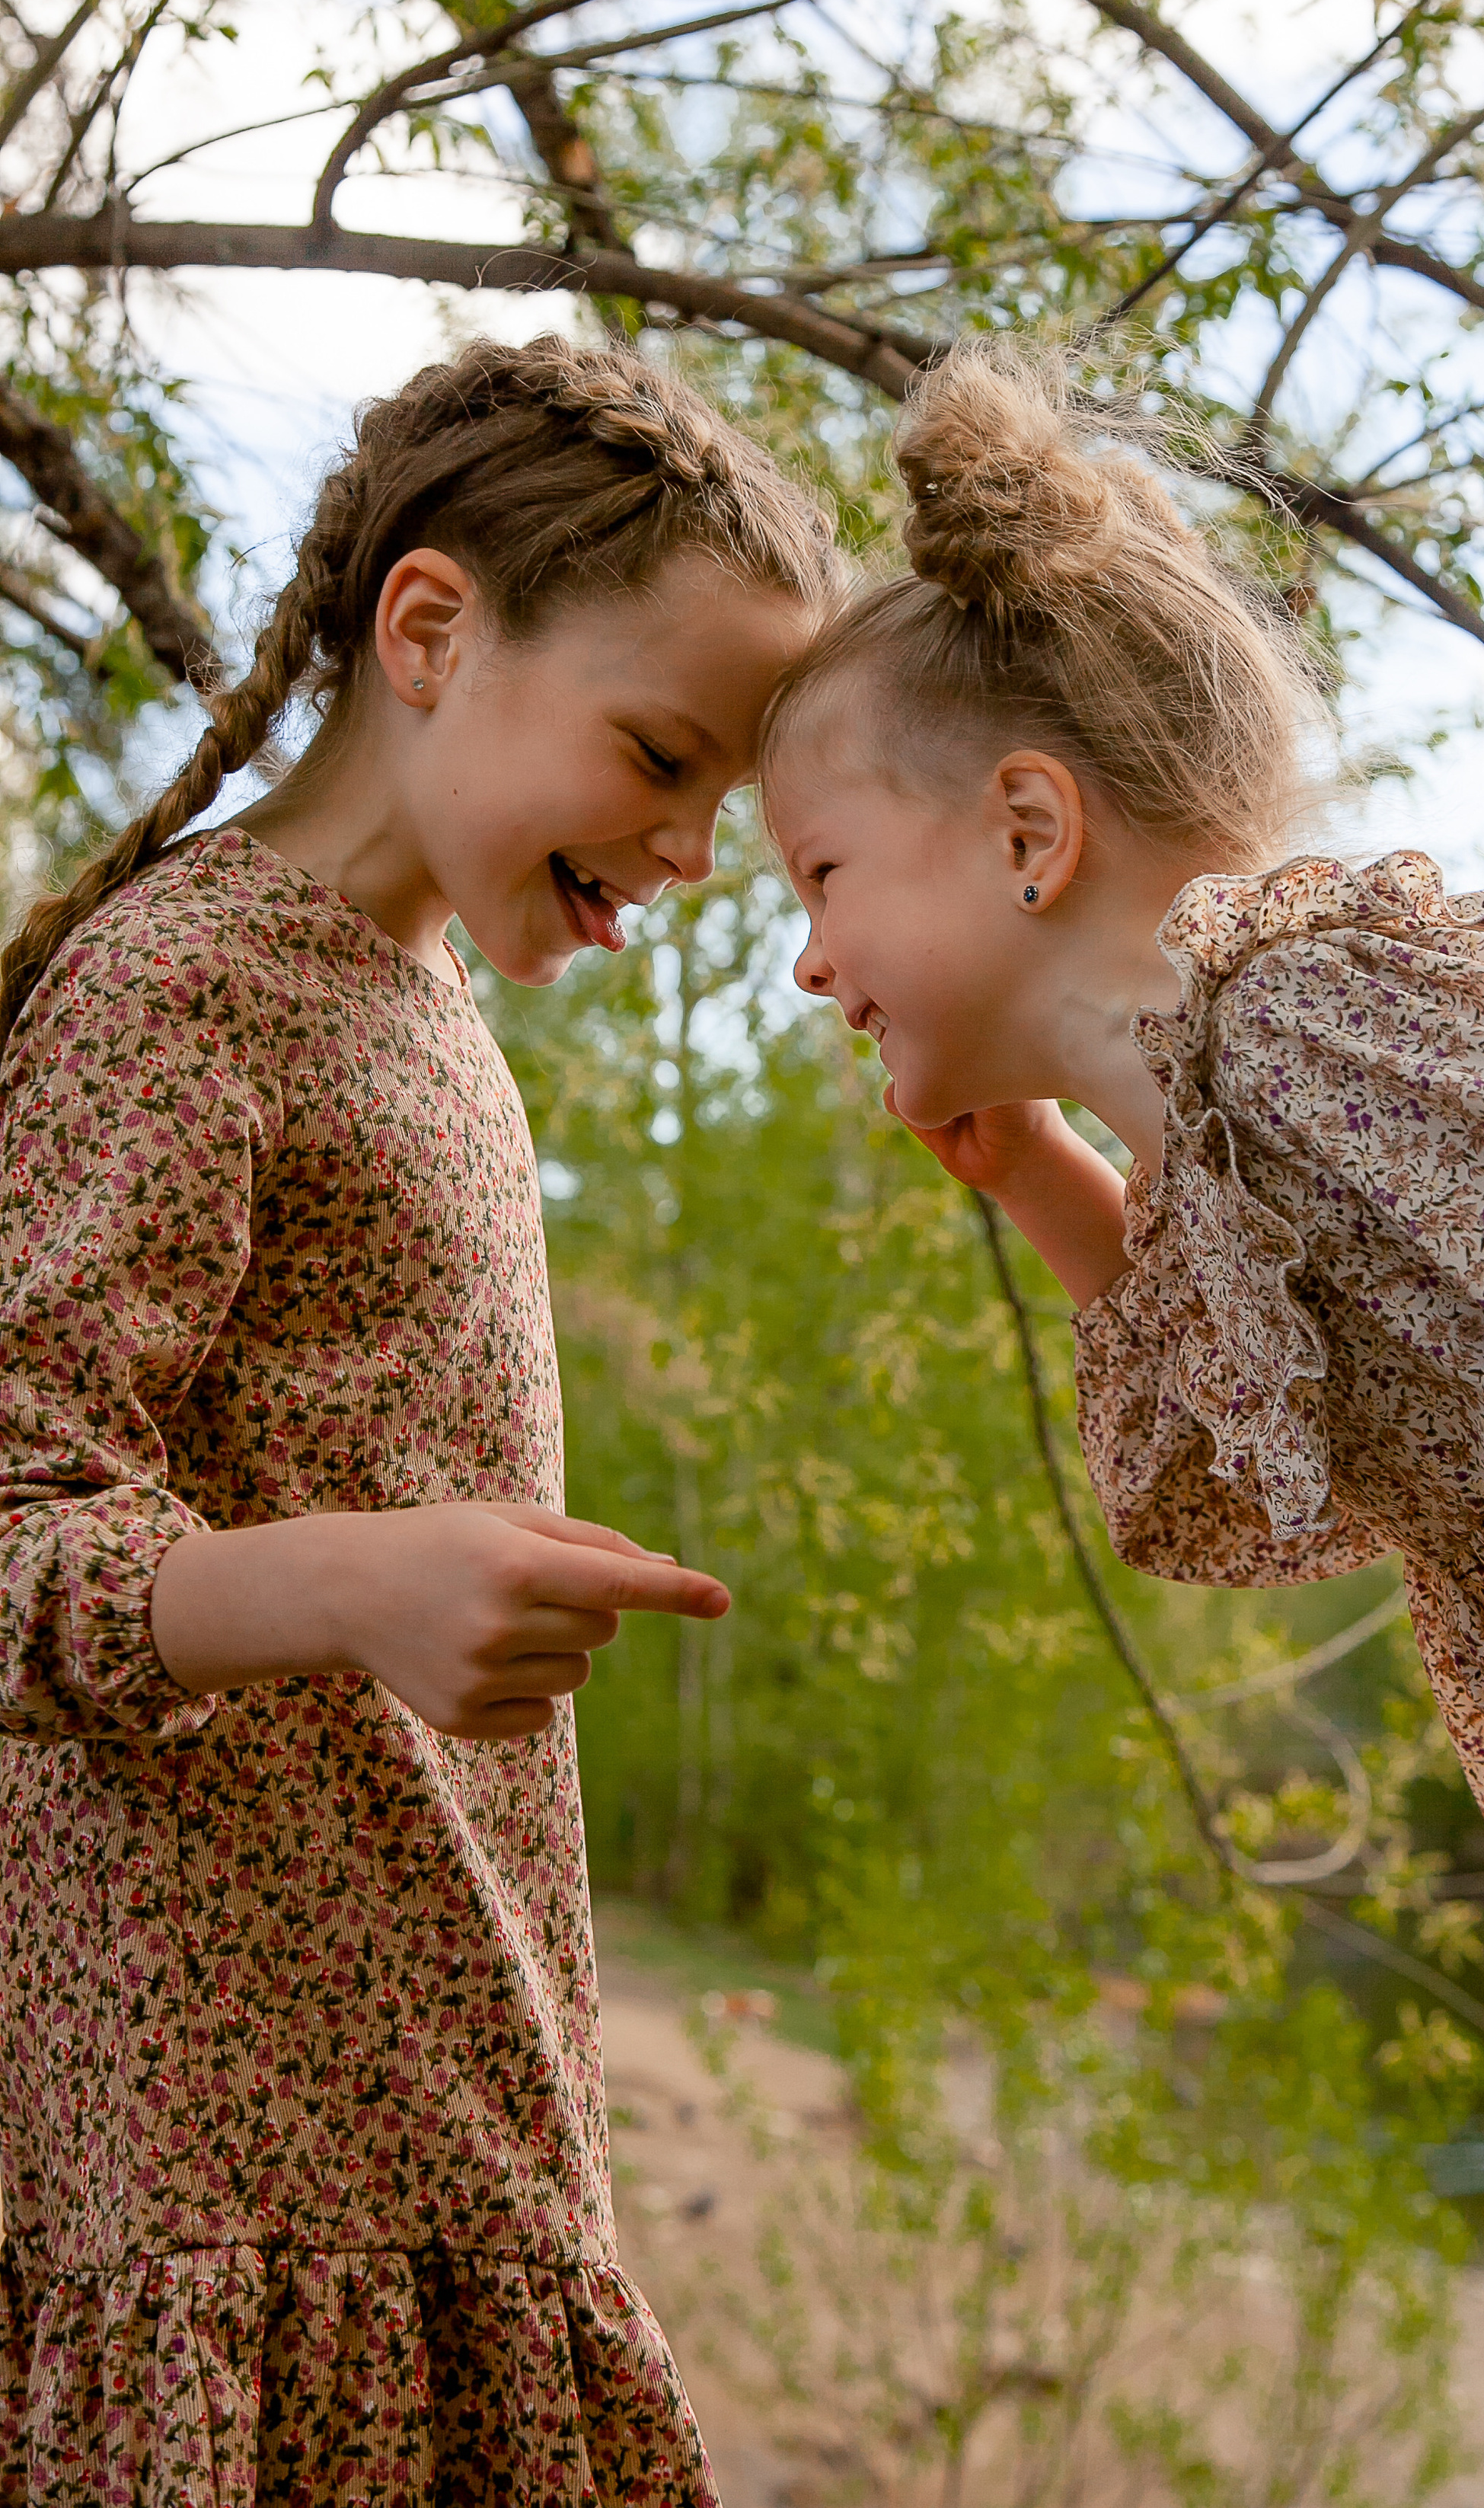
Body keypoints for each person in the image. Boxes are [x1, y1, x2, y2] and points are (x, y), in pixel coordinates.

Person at [761, 337, 1484, 2508]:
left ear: (1028, 827)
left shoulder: (1332, 1025)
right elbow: (1244, 1489)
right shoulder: (1243, 1125)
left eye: (822, 876)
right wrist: (1042, 1176)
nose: (809, 964)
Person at [0, 334, 840, 2504]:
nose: (686, 847)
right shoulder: (186, 986)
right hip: (231, 2171)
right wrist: (350, 1584)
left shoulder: (424, 1009)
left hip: (439, 2089)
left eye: (725, 806)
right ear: (435, 632)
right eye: (660, 756)